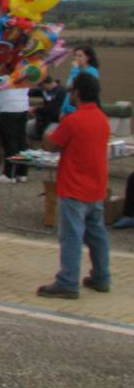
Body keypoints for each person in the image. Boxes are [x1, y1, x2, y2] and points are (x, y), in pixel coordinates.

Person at [37, 73, 112, 299]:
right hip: (96, 187)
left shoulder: (73, 120)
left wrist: (49, 131)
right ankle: (102, 276)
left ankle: (68, 281)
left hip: (74, 186)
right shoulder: (102, 118)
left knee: (72, 236)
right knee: (97, 234)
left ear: (77, 93)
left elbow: (51, 145)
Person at [0, 86, 30, 183]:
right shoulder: (24, 72)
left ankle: (9, 174)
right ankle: (22, 173)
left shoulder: (5, 75)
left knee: (9, 142)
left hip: (8, 108)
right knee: (21, 141)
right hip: (23, 106)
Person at [59, 46, 100, 120]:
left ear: (88, 57)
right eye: (75, 55)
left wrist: (75, 71)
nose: (76, 58)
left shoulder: (91, 71)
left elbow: (75, 87)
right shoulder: (78, 70)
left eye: (80, 56)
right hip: (68, 107)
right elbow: (69, 86)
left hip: (77, 109)